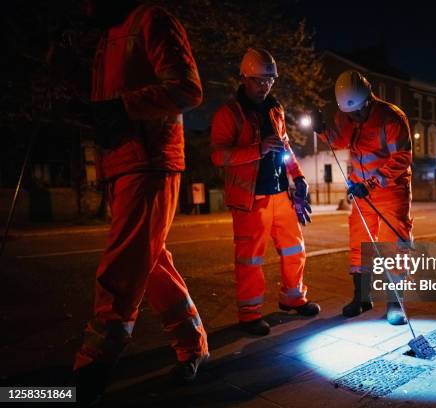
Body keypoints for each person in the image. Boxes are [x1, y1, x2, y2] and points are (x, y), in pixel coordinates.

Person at [73, 1, 208, 404]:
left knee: (124, 267)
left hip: (149, 159)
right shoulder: (104, 38)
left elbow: (187, 88)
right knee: (149, 262)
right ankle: (192, 344)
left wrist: (122, 107)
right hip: (123, 160)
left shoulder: (150, 20)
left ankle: (92, 364)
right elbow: (100, 105)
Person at [211, 48, 320, 336]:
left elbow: (285, 148)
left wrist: (298, 177)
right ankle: (249, 314)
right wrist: (256, 150)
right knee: (250, 259)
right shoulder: (228, 114)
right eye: (260, 80)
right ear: (245, 78)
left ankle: (293, 297)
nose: (266, 86)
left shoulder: (275, 108)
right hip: (250, 200)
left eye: (270, 80)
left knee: (295, 249)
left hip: (280, 193)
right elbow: (218, 156)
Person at [313, 70, 414, 325]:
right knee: (359, 243)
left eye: (359, 112)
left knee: (395, 245)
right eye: (350, 114)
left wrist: (371, 183)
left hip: (390, 190)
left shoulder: (391, 118)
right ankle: (362, 297)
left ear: (368, 99)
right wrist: (321, 130)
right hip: (362, 192)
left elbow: (402, 157)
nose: (355, 118)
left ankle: (396, 302)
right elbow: (339, 141)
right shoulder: (347, 115)